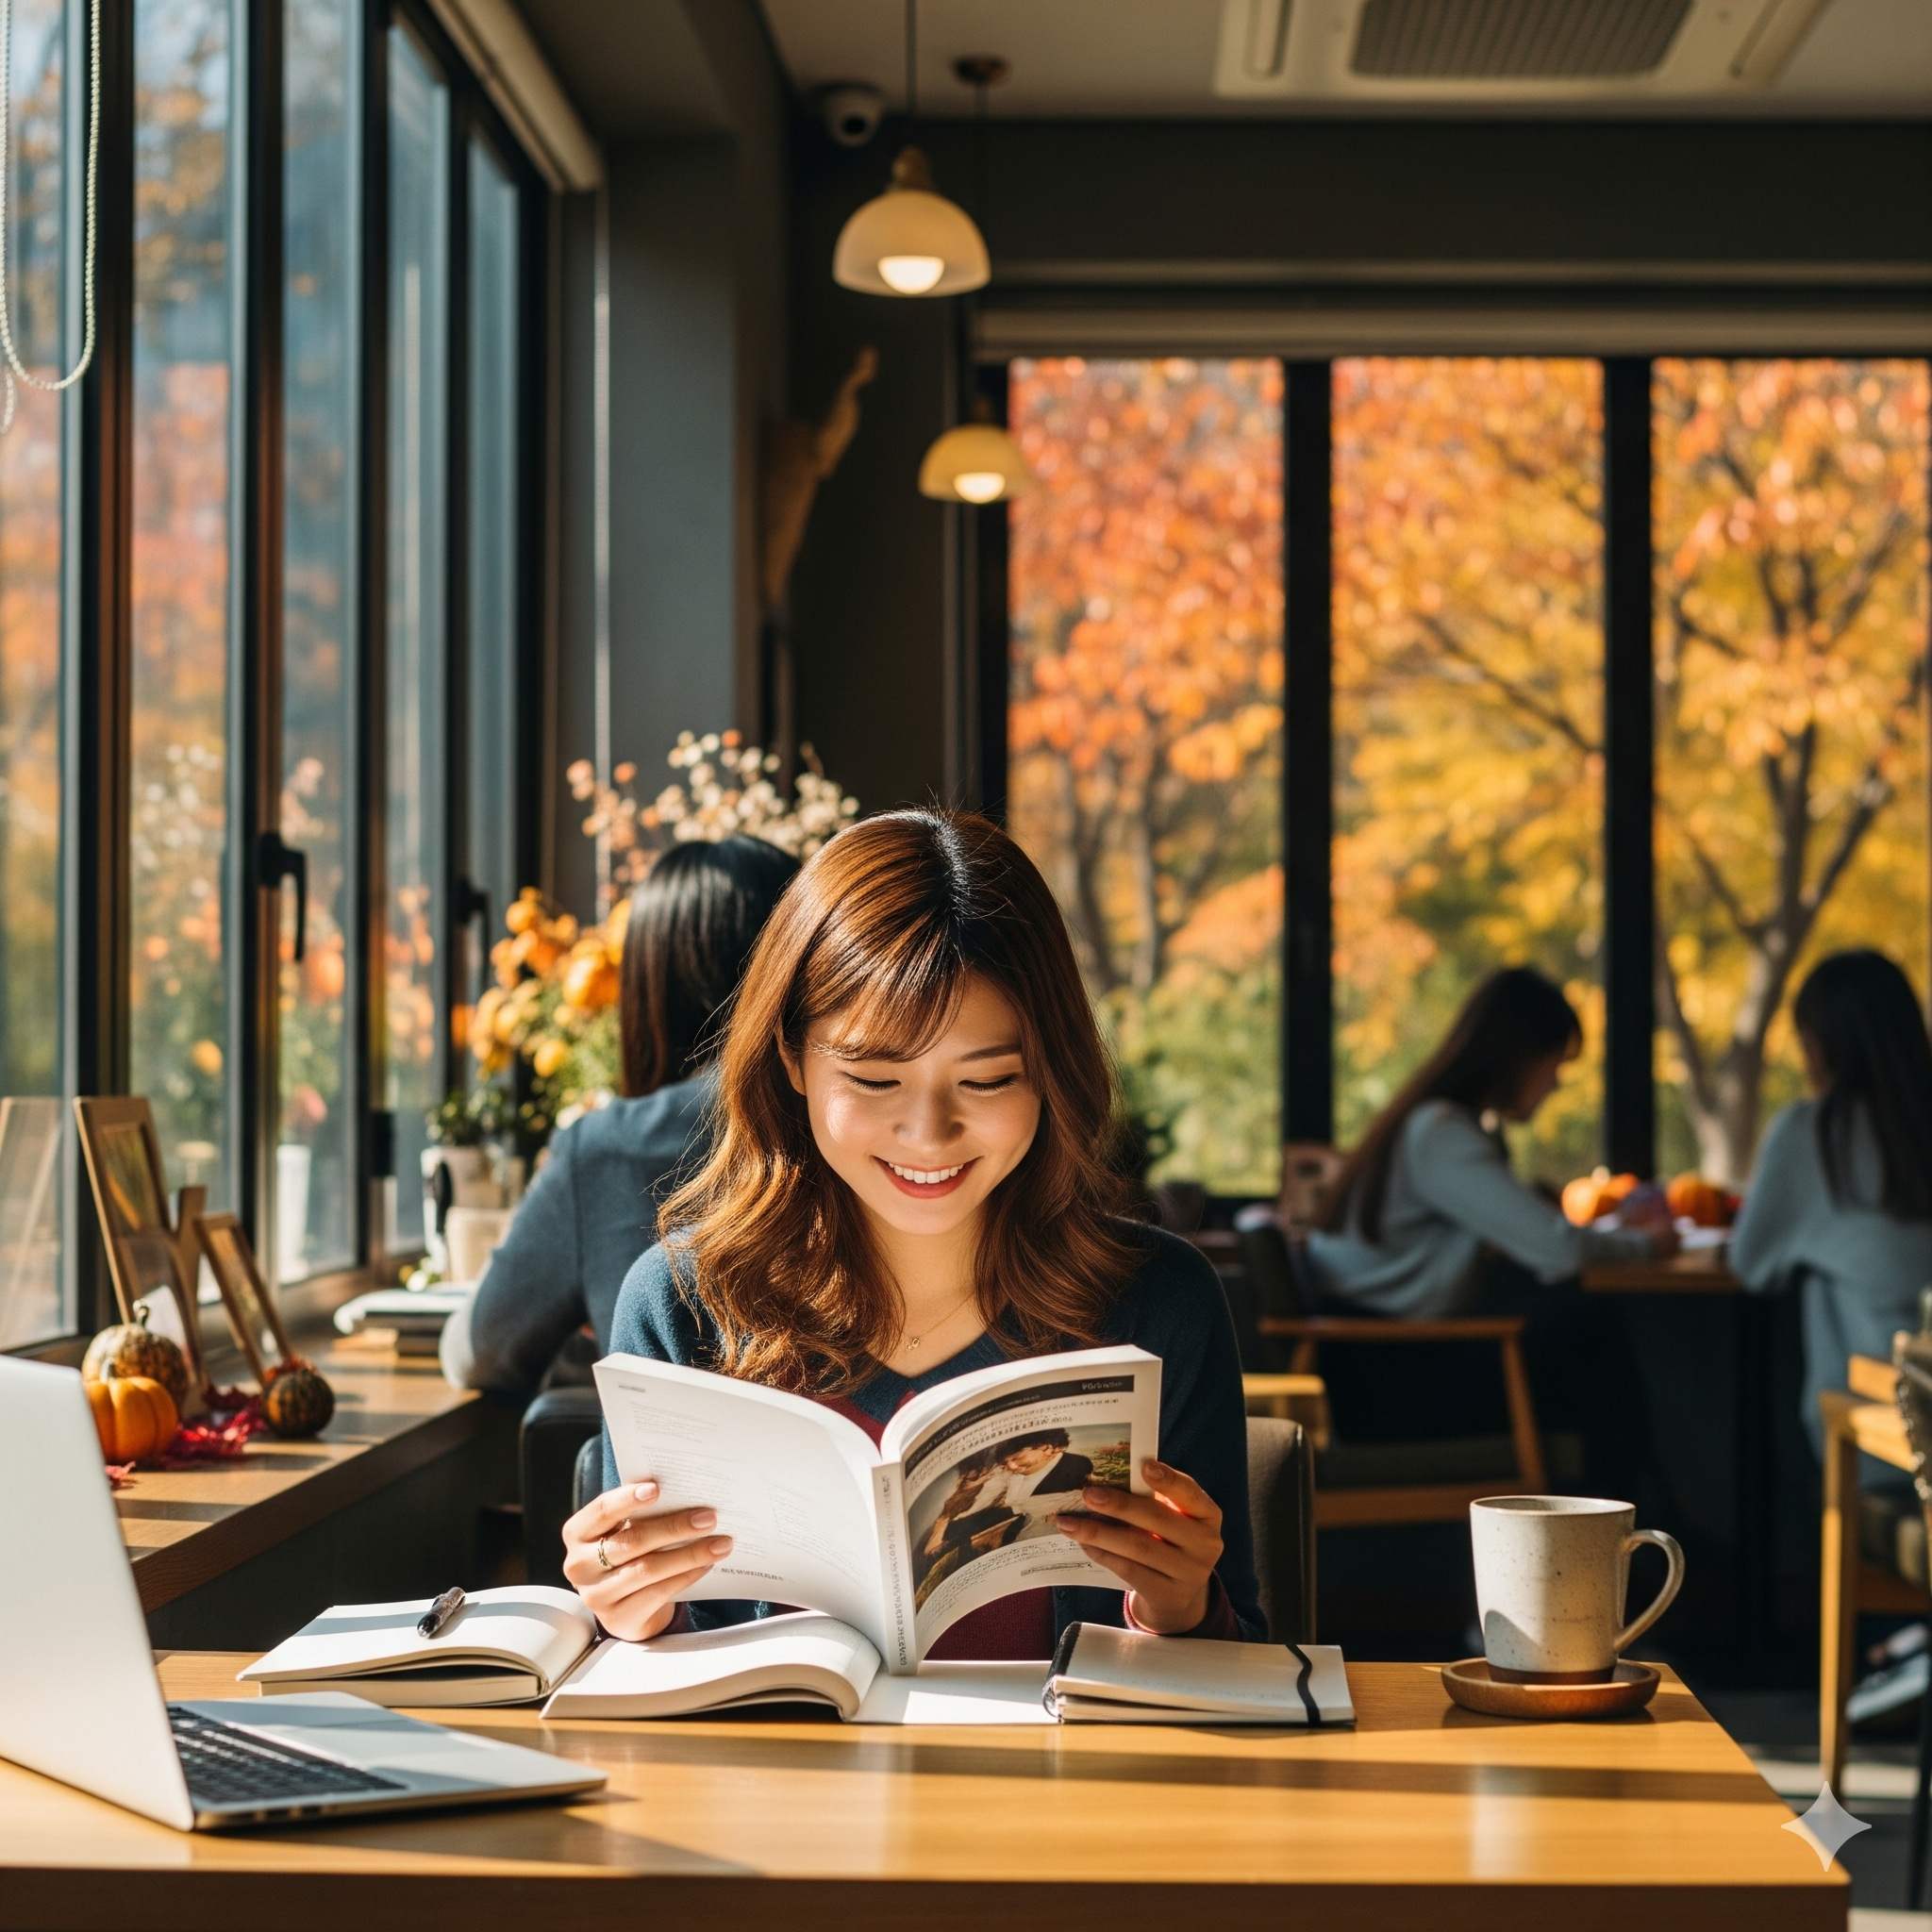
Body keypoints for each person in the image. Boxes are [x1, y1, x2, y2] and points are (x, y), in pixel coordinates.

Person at [560, 808, 1264, 1659]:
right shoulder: (684, 1303)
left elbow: (1245, 1660)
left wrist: (1181, 1608)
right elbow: (667, 1663)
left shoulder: (1157, 1303)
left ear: (1051, 1071)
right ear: (791, 1057)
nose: (929, 1136)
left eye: (988, 1080)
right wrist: (634, 1615)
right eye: (874, 1079)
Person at [441, 836, 800, 1392]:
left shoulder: (605, 1147)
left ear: (649, 988)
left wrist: (595, 1347)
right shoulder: (854, 1117)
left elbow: (478, 1352)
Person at [1308, 966, 1676, 1320]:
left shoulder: (1443, 1125)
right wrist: (1649, 1245)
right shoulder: (1440, 1134)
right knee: (1585, 1314)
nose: (1555, 1083)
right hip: (1382, 1341)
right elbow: (1560, 1250)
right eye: (1555, 1064)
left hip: (1387, 1323)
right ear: (1519, 1057)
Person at [1730, 949, 1932, 1469]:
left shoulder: (1817, 1133)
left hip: (1887, 1439)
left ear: (1821, 1046)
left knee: (1816, 1287)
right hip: (1907, 1426)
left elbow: (1749, 1264)